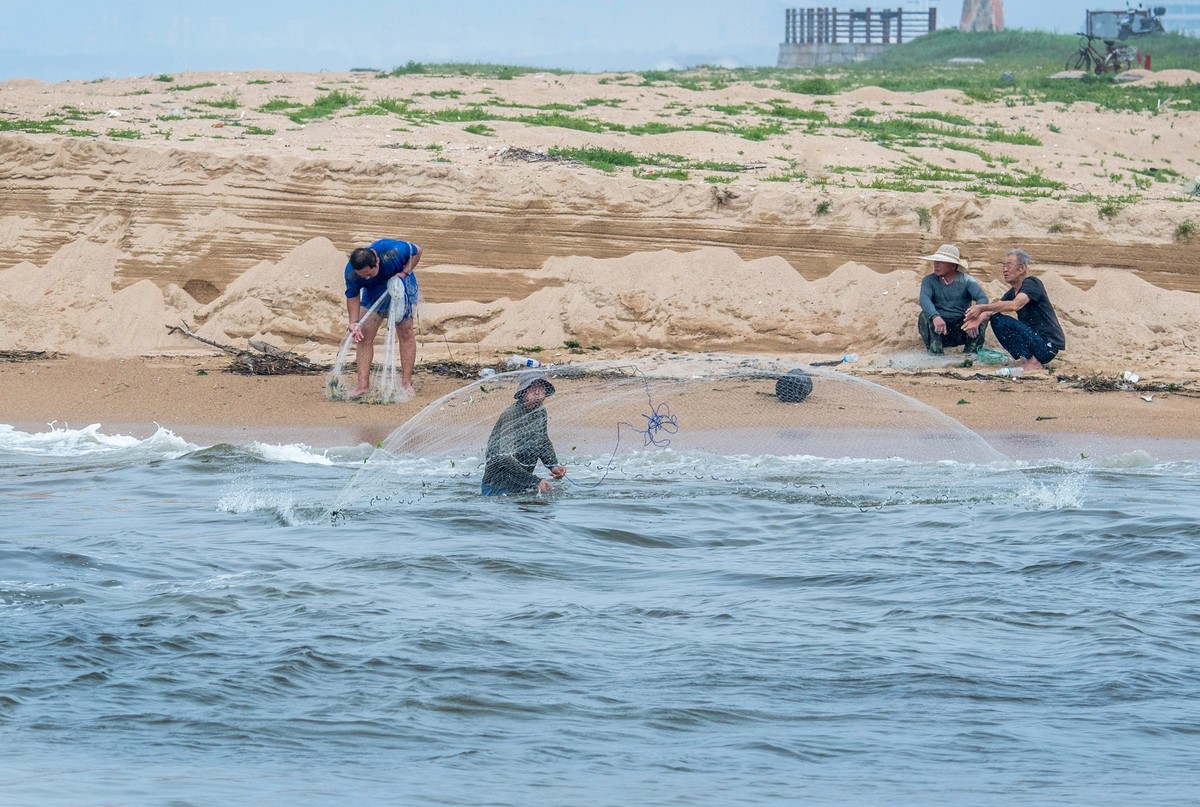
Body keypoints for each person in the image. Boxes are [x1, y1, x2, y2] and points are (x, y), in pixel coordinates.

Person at [963, 249, 1066, 373]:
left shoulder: (1032, 283)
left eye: (1008, 266)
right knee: (997, 319)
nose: (1004, 270)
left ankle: (1034, 362)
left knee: (1004, 321)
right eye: (1003, 266)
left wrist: (981, 307)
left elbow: (1015, 305)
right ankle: (1025, 359)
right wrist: (977, 320)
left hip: (1047, 346)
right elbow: (993, 310)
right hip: (1034, 341)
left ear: (1021, 269)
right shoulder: (1013, 291)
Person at [343, 238, 421, 398]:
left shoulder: (391, 251)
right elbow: (352, 295)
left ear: (376, 262)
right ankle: (362, 386)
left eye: (368, 274)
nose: (365, 278)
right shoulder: (351, 272)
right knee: (362, 335)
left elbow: (418, 251)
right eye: (361, 276)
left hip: (400, 288)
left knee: (405, 333)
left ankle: (406, 383)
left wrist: (404, 273)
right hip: (373, 294)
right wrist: (353, 322)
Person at [481, 373, 567, 496]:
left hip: (520, 483)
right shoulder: (512, 415)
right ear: (523, 393)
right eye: (532, 388)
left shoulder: (540, 411)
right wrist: (535, 481)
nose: (537, 393)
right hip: (497, 486)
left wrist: (553, 466)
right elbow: (504, 457)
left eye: (541, 388)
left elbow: (542, 440)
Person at [916, 243, 989, 354]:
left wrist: (974, 317)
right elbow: (924, 299)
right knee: (925, 315)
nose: (936, 265)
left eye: (941, 262)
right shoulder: (928, 280)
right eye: (936, 262)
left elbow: (982, 298)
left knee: (984, 315)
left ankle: (971, 353)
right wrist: (935, 316)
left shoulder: (967, 280)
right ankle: (935, 351)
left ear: (953, 266)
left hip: (962, 328)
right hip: (940, 329)